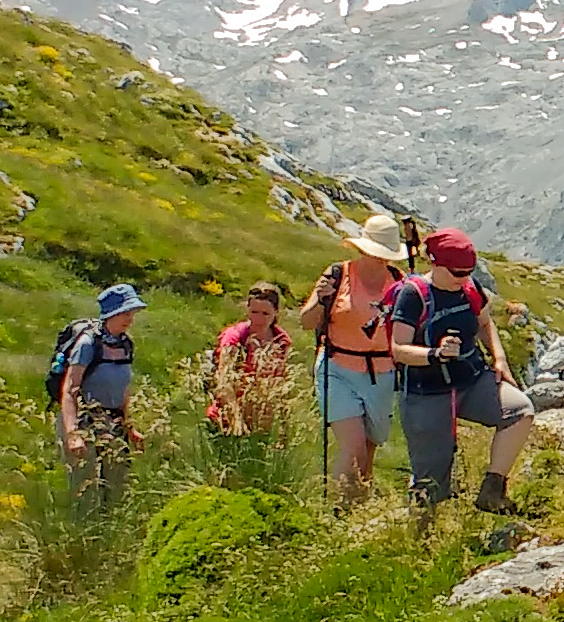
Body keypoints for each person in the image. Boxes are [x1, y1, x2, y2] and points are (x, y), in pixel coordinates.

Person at [386, 227, 536, 513]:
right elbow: (398, 349)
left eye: (469, 271)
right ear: (435, 263)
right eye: (457, 272)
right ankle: (420, 540)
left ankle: (492, 490)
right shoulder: (413, 295)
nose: (464, 278)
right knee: (431, 485)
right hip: (426, 394)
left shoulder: (469, 288)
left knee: (520, 411)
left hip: (471, 380)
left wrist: (499, 358)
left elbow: (484, 322)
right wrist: (435, 354)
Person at [301, 213, 406, 504]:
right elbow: (307, 321)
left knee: (369, 448)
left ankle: (356, 506)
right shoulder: (337, 275)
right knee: (354, 446)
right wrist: (321, 300)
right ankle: (338, 508)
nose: (378, 259)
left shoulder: (400, 283)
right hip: (337, 368)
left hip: (382, 373)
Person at [56, 283, 149, 512]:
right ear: (111, 314)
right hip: (86, 422)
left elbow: (123, 388)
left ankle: (112, 534)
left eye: (132, 313)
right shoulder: (88, 344)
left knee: (117, 486)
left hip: (113, 424)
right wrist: (73, 434)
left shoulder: (126, 345)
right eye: (125, 313)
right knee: (85, 489)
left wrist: (129, 426)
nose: (130, 319)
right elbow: (69, 389)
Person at [203, 279, 295, 477]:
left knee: (254, 473)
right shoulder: (234, 338)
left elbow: (281, 384)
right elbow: (224, 380)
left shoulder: (281, 341)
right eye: (254, 312)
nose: (259, 319)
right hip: (227, 417)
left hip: (262, 419)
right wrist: (236, 419)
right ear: (247, 309)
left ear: (276, 313)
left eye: (265, 314)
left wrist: (284, 427)